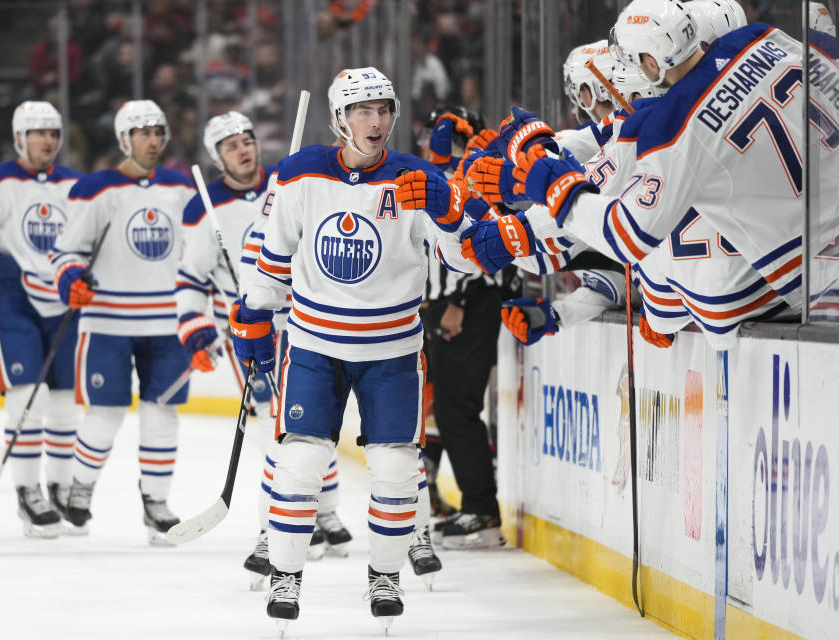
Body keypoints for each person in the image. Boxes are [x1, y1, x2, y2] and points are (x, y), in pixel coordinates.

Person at [230, 67, 478, 632]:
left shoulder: (417, 177)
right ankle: (287, 574)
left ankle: (384, 576)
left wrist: (445, 206)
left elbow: (463, 258)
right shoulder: (299, 175)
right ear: (340, 119)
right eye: (364, 111)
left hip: (392, 350)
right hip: (316, 345)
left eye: (385, 109)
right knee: (300, 461)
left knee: (394, 468)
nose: (377, 121)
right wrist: (254, 314)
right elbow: (272, 257)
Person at [464, 0, 839, 321]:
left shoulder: (675, 124)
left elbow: (628, 234)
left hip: (813, 282)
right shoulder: (759, 38)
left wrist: (555, 188)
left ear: (653, 60)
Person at [175, 111, 352, 588]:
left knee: (314, 415)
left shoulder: (288, 182)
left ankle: (326, 512)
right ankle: (289, 521)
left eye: (248, 139)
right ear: (217, 157)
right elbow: (191, 277)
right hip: (250, 330)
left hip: (305, 320)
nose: (243, 149)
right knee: (282, 426)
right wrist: (193, 328)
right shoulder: (202, 208)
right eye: (231, 145)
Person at [51, 99, 196, 545]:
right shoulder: (96, 188)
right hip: (108, 320)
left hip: (168, 321)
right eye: (143, 133)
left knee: (161, 413)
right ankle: (80, 484)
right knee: (105, 413)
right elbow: (66, 251)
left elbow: (201, 252)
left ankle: (156, 502)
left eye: (158, 132)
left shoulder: (182, 187)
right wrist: (71, 278)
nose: (153, 141)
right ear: (123, 139)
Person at [0, 101, 83, 538]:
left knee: (66, 403)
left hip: (65, 302)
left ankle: (60, 489)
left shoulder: (75, 184)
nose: (48, 140)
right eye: (38, 132)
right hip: (14, 301)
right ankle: (28, 494)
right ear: (19, 138)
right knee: (29, 396)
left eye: (53, 132)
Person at [417, 107, 508, 551]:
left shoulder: (471, 176)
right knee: (447, 409)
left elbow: (481, 241)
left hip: (469, 305)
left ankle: (481, 509)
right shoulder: (441, 177)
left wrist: (456, 301)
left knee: (458, 409)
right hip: (445, 306)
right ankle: (471, 504)